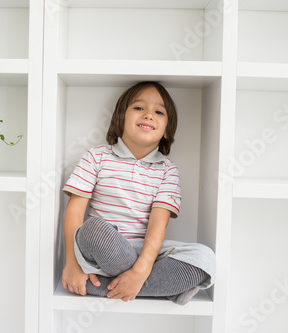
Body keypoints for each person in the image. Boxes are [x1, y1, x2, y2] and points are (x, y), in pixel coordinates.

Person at [61, 81, 216, 304]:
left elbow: (157, 225)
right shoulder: (97, 157)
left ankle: (116, 284)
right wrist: (72, 265)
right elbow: (75, 212)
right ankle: (162, 288)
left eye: (159, 111)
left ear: (166, 131)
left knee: (205, 258)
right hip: (103, 248)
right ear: (120, 117)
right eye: (139, 108)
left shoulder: (167, 170)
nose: (149, 115)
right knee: (92, 229)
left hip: (145, 252)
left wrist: (141, 270)